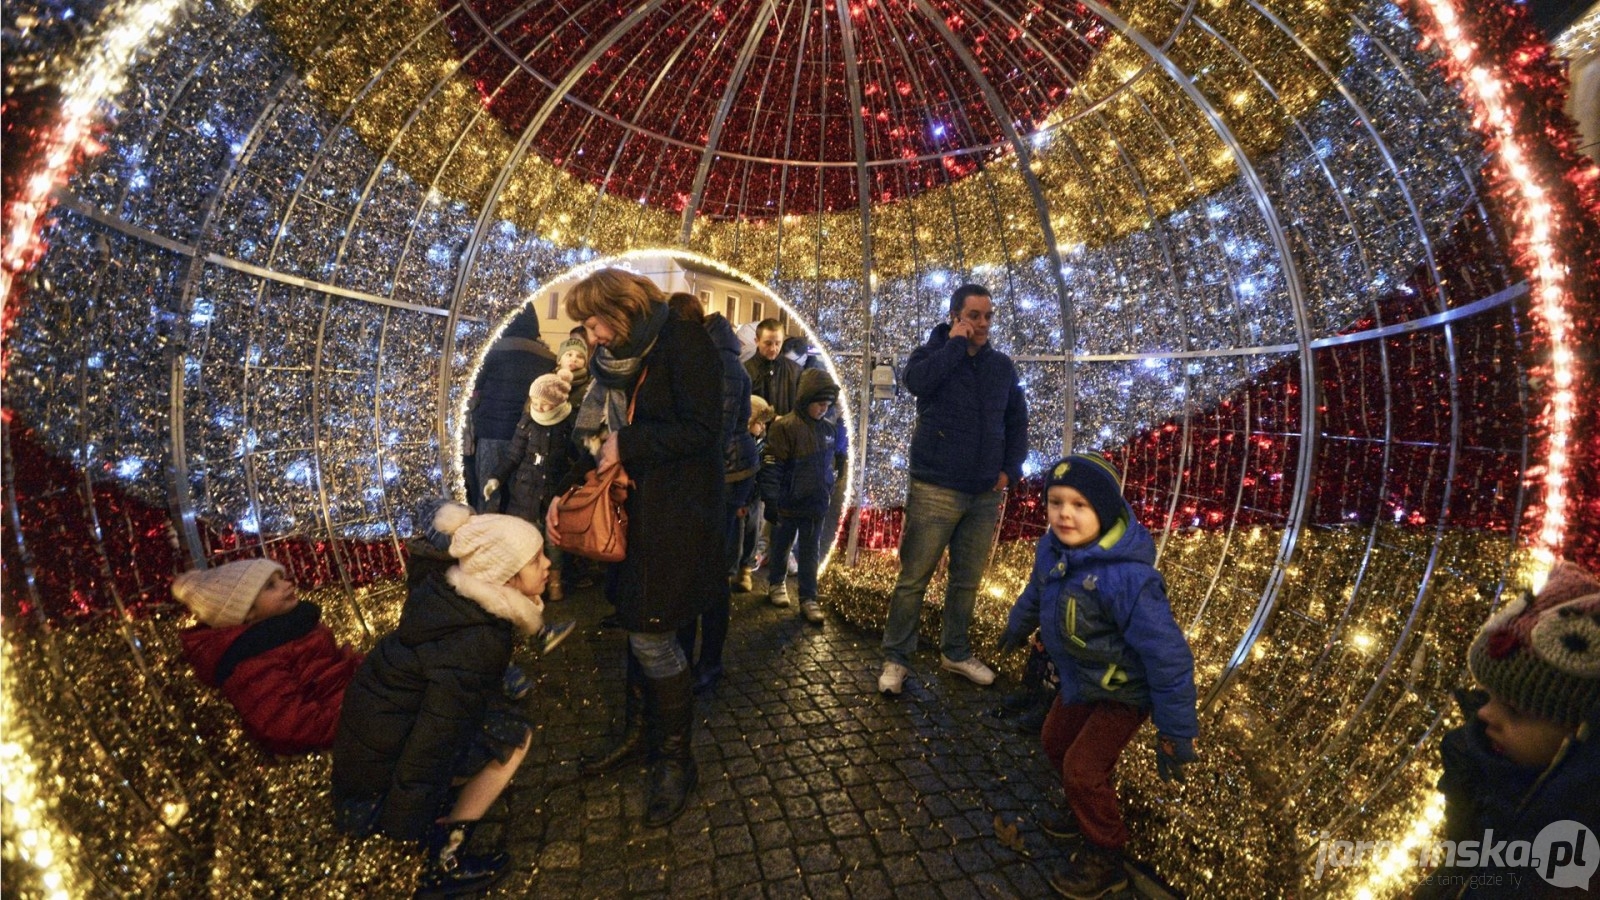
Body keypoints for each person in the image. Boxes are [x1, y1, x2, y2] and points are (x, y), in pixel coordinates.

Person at [554, 268, 724, 827]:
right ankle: (637, 737)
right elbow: (604, 431)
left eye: (596, 322)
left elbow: (702, 431)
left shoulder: (683, 340)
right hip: (635, 513)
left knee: (653, 633)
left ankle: (676, 761)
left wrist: (626, 442)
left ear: (621, 309)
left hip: (675, 517)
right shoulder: (619, 358)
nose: (593, 336)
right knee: (636, 623)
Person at [996, 454, 1198, 898]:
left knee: (1082, 769)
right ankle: (1081, 807)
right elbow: (1038, 590)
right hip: (1083, 678)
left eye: (1080, 505)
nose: (1065, 514)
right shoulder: (1053, 547)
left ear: (1104, 511)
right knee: (1054, 742)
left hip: (1126, 692)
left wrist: (1175, 729)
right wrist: (1018, 624)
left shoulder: (1129, 579)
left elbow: (1168, 656)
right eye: (1056, 502)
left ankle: (1106, 854)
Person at [332, 503, 554, 897]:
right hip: (373, 784)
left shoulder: (453, 603)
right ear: (505, 576)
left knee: (497, 716)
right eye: (536, 559)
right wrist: (401, 843)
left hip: (370, 755)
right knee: (515, 737)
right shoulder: (476, 639)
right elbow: (434, 742)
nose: (548, 564)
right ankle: (444, 859)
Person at [1418, 559, 1599, 899]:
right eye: (1488, 696)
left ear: (1581, 730)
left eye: (1515, 710)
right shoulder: (1480, 773)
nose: (1484, 714)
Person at [879, 283, 1028, 694]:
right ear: (955, 317)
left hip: (983, 492)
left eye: (987, 316)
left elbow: (1017, 419)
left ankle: (955, 652)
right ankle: (896, 658)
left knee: (966, 580)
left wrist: (1009, 470)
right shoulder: (932, 355)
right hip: (936, 487)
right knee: (915, 578)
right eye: (974, 316)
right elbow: (917, 383)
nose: (983, 324)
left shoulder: (1000, 366)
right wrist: (955, 347)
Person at [173, 558, 363, 755]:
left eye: (281, 578)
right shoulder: (252, 660)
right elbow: (289, 723)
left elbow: (333, 669)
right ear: (246, 612)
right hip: (345, 732)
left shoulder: (296, 627)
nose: (288, 584)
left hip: (356, 705)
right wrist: (364, 719)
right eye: (271, 586)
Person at [668, 291, 754, 695]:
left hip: (722, 474)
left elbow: (712, 430)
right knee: (702, 565)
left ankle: (707, 660)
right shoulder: (724, 354)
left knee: (709, 569)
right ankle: (698, 656)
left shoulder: (713, 359)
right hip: (729, 470)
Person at [482, 370, 579, 601]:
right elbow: (513, 456)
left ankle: (554, 582)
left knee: (553, 543)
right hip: (525, 493)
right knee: (526, 541)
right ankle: (526, 584)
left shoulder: (567, 424)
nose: (540, 408)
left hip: (553, 492)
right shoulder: (527, 422)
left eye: (546, 404)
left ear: (558, 403)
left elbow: (576, 456)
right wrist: (496, 477)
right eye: (536, 402)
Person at [759, 368, 846, 625]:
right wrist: (772, 499)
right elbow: (773, 464)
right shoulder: (785, 427)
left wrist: (830, 483)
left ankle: (809, 598)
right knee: (781, 545)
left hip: (815, 504)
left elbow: (832, 460)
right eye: (820, 404)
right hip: (788, 503)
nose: (823, 409)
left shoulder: (827, 429)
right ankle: (776, 583)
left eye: (827, 405)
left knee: (810, 552)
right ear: (806, 400)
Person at [472, 306, 557, 513]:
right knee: (517, 497)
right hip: (527, 435)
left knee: (488, 492)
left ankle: (486, 538)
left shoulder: (491, 351)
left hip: (491, 430)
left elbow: (476, 387)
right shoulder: (548, 358)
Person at [735, 395, 776, 592]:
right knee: (736, 533)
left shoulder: (762, 442)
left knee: (753, 529)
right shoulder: (739, 442)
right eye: (758, 422)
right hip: (739, 494)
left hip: (755, 494)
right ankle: (732, 567)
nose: (762, 426)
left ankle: (745, 569)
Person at [744, 318, 801, 417]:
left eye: (778, 343)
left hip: (785, 431)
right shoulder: (745, 371)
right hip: (757, 431)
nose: (773, 348)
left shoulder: (796, 371)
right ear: (756, 341)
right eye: (768, 343)